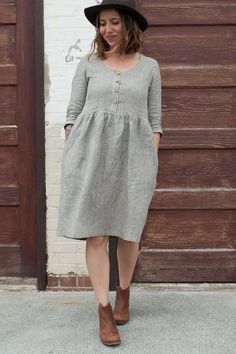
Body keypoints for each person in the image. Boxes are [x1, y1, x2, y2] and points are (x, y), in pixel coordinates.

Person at [56, 0, 163, 346]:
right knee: (97, 235)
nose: (107, 30)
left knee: (129, 232)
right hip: (90, 156)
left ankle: (124, 292)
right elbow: (73, 111)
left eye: (114, 22)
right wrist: (73, 142)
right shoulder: (89, 64)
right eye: (102, 24)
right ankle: (104, 311)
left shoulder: (149, 68)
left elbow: (155, 120)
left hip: (135, 158)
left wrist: (150, 155)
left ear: (128, 25)